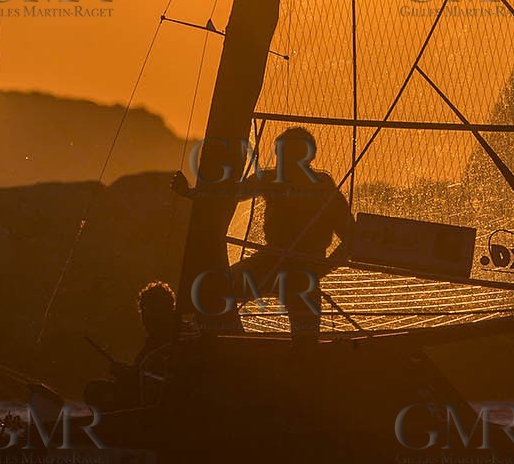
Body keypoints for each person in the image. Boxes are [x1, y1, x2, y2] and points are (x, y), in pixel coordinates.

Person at [175, 127, 354, 346]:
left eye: (289, 157)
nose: (281, 163)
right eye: (280, 156)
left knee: (306, 338)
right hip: (269, 261)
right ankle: (224, 345)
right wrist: (191, 193)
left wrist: (324, 267)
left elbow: (351, 238)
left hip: (305, 267)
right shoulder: (270, 179)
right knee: (213, 289)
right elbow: (230, 194)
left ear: (307, 158)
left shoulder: (323, 188)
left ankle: (305, 355)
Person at [84, 280, 180, 411]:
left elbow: (152, 381)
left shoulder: (165, 342)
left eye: (152, 310)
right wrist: (128, 371)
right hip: (149, 400)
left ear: (167, 310)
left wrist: (125, 374)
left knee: (94, 391)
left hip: (149, 407)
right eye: (143, 310)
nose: (146, 317)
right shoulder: (166, 337)